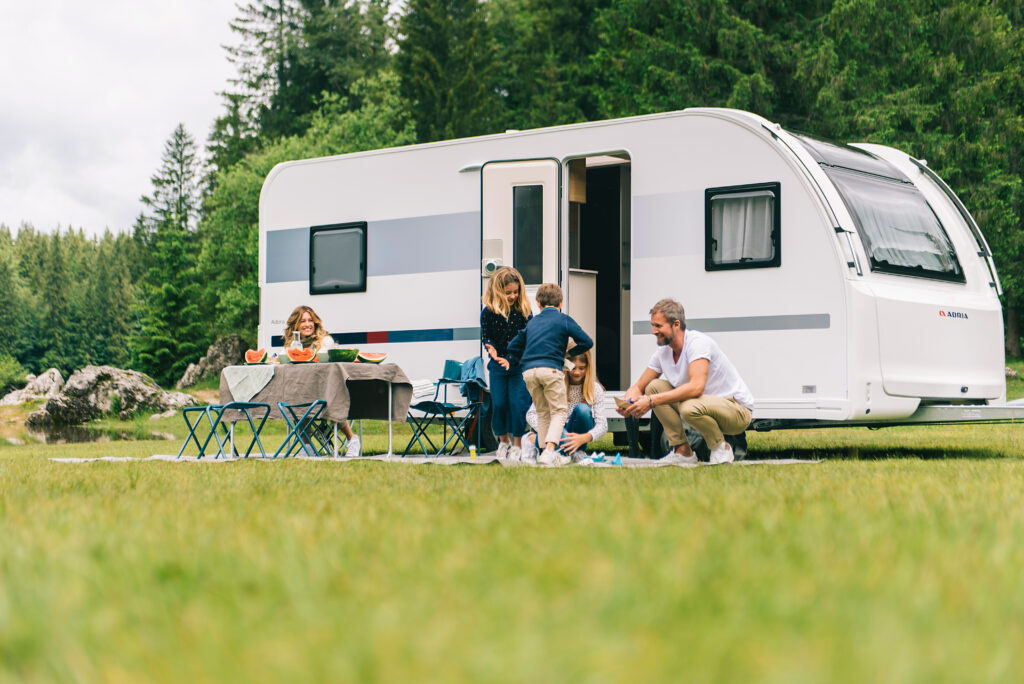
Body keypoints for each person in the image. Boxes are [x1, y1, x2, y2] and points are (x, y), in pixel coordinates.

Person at [618, 298, 753, 465]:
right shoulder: (663, 352)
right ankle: (683, 451)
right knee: (654, 387)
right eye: (652, 325)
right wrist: (627, 403)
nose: (653, 331)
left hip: (736, 410)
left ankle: (721, 448)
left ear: (676, 324)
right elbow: (639, 386)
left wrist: (650, 401)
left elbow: (696, 387)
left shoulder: (697, 344)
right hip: (702, 406)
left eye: (658, 326)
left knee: (688, 408)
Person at [506, 283, 593, 467]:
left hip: (529, 372)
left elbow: (512, 347)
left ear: (538, 303)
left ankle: (544, 455)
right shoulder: (563, 320)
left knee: (543, 412)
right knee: (559, 411)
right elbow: (587, 341)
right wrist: (568, 354)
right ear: (561, 303)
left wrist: (526, 360)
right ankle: (550, 450)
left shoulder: (532, 323)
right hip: (551, 370)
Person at [279, 305, 360, 458]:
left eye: (310, 320)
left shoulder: (325, 341)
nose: (307, 324)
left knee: (330, 398)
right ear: (295, 324)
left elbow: (319, 360)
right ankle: (307, 444)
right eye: (302, 321)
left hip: (327, 388)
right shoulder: (292, 344)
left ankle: (352, 439)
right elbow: (284, 357)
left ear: (315, 322)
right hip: (305, 390)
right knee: (298, 396)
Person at [480, 267, 533, 461]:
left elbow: (527, 340)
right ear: (497, 292)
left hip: (518, 366)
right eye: (508, 292)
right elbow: (487, 337)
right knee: (500, 404)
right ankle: (504, 442)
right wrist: (491, 349)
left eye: (516, 292)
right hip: (497, 367)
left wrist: (511, 359)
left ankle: (518, 444)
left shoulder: (524, 312)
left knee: (518, 404)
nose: (513, 295)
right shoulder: (487, 313)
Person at [523, 349, 607, 462]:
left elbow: (603, 425)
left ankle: (538, 442)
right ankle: (574, 454)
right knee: (559, 432)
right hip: (555, 431)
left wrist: (584, 438)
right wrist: (548, 430)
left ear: (588, 368)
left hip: (578, 436)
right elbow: (531, 414)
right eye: (573, 368)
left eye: (581, 368)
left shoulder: (595, 388)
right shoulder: (555, 384)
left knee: (583, 410)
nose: (577, 372)